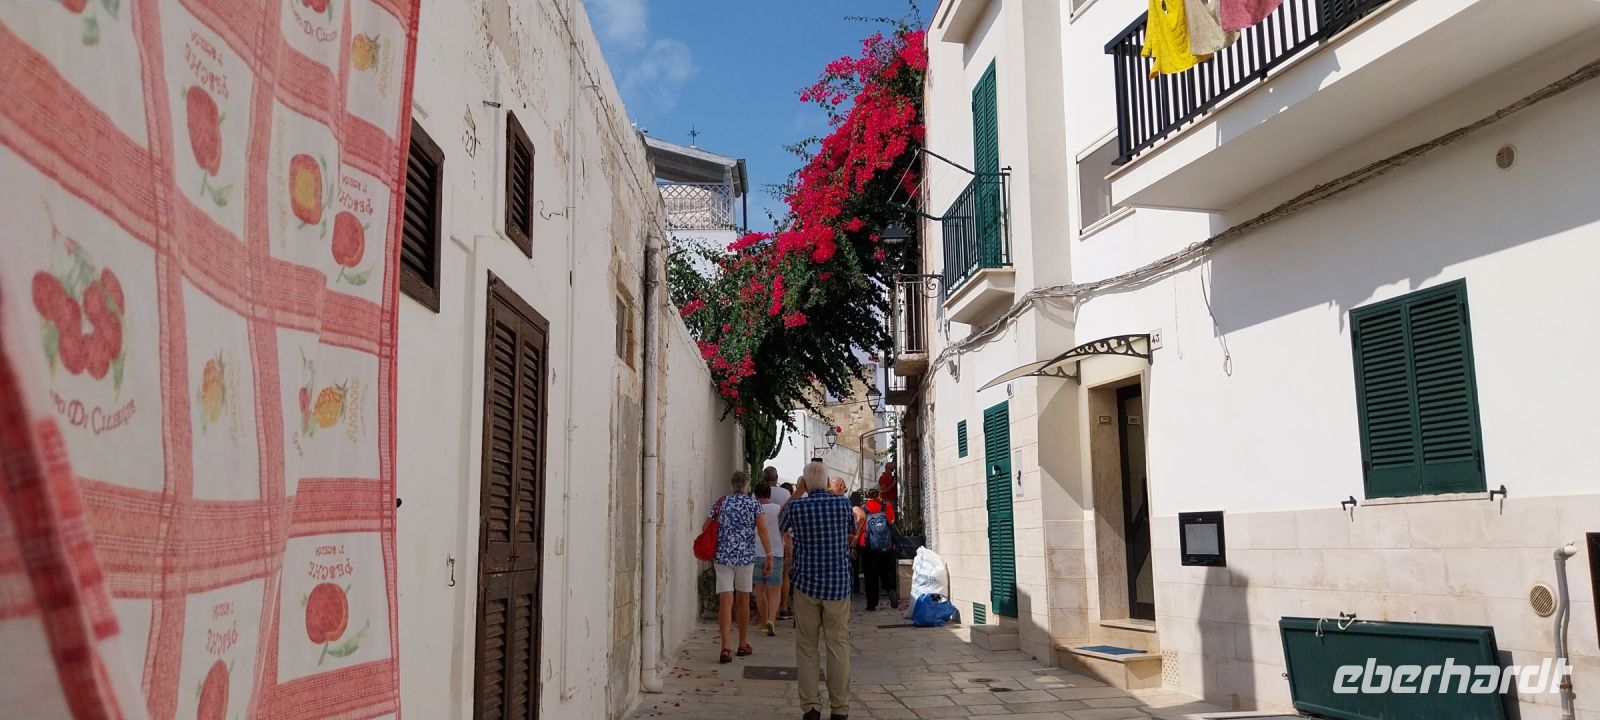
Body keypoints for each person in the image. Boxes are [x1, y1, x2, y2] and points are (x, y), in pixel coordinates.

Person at [782, 464, 856, 720]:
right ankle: (840, 709)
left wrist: (797, 492)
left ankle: (811, 707)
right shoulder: (843, 504)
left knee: (806, 647)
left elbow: (781, 521)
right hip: (837, 584)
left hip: (807, 585)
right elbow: (851, 530)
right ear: (826, 482)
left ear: (804, 482)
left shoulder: (797, 507)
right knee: (838, 646)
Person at [702, 470, 771, 664]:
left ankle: (725, 647)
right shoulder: (754, 504)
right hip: (745, 558)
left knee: (726, 601)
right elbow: (763, 531)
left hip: (723, 557)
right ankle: (742, 643)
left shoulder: (720, 503)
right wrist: (769, 555)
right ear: (747, 486)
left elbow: (705, 527)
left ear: (732, 485)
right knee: (743, 599)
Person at [856, 488, 900, 611]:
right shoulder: (887, 506)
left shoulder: (863, 508)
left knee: (871, 575)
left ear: (867, 496)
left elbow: (860, 525)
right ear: (879, 495)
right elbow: (891, 521)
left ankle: (872, 603)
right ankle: (891, 590)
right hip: (886, 545)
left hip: (868, 545)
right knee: (888, 571)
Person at [753, 483, 786, 636]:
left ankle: (763, 619)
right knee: (774, 589)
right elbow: (785, 532)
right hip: (776, 552)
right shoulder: (779, 510)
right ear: (769, 495)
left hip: (757, 552)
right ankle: (771, 619)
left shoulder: (753, 509)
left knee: (760, 590)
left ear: (755, 495)